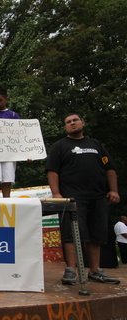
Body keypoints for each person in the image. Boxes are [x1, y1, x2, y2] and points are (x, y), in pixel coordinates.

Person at [46, 113, 120, 285]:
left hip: (98, 196)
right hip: (72, 198)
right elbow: (52, 171)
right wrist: (56, 193)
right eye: (68, 122)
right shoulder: (59, 146)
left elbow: (109, 168)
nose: (72, 123)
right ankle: (71, 270)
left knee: (97, 235)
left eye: (75, 120)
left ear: (82, 122)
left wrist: (114, 190)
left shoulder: (96, 145)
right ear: (65, 127)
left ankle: (95, 271)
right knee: (72, 234)